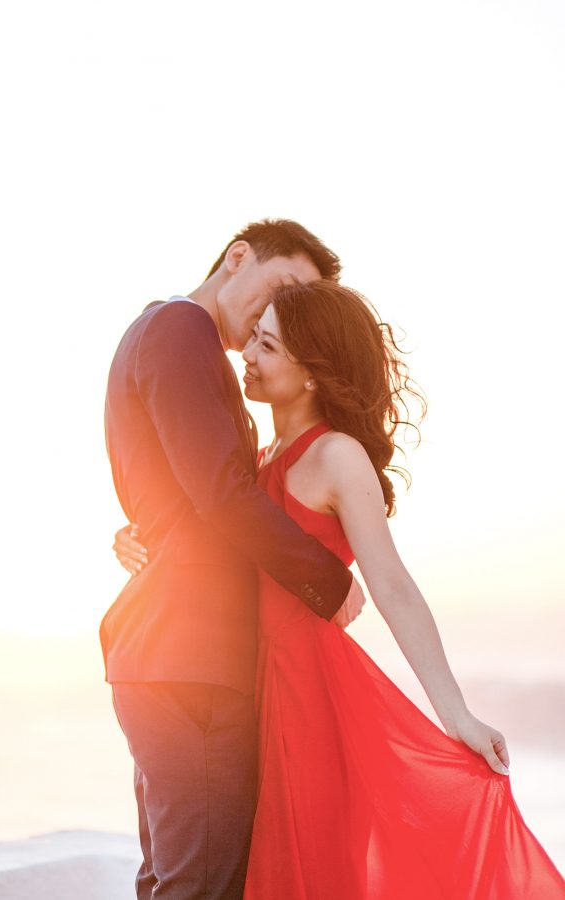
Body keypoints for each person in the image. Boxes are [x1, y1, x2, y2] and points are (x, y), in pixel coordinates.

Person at [116, 280, 565, 898]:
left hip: (308, 697)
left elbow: (392, 585)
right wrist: (136, 536)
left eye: (268, 346)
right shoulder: (256, 458)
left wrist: (454, 712)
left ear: (309, 375)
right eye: (255, 337)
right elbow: (213, 525)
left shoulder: (337, 456)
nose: (246, 351)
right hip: (246, 691)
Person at [100, 219, 366, 900]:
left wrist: (140, 532)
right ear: (237, 257)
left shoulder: (162, 335)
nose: (280, 316)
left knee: (172, 877)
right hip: (191, 659)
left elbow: (181, 490)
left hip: (168, 654)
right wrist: (328, 578)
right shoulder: (179, 331)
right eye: (283, 288)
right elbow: (222, 493)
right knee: (200, 886)